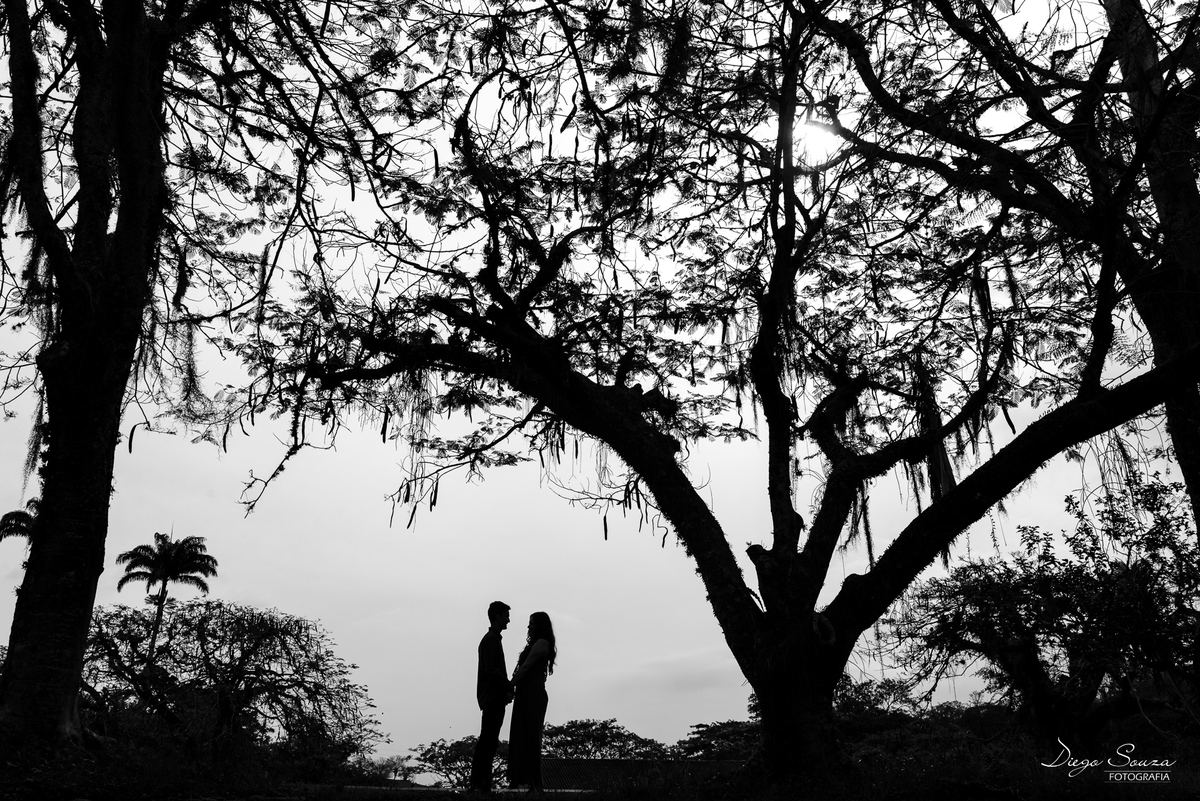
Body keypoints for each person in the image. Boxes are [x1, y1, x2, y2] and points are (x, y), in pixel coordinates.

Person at [506, 611, 556, 792]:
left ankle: (535, 783)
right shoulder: (536, 643)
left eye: (532, 623)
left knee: (531, 737)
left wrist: (510, 685)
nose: (529, 627)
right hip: (525, 692)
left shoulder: (542, 643)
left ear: (540, 626)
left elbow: (526, 666)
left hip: (533, 692)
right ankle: (520, 779)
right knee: (521, 734)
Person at [470, 601, 513, 793]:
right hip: (492, 697)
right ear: (497, 616)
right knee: (488, 742)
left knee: (488, 741)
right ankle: (480, 785)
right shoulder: (491, 640)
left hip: (493, 696)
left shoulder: (492, 639)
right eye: (506, 616)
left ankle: (481, 785)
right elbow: (492, 670)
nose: (508, 620)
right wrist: (507, 686)